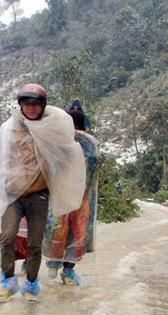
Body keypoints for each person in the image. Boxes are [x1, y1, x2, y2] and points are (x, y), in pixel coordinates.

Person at [0, 83, 86, 302]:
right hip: (13, 195)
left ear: (42, 106)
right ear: (21, 105)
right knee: (7, 239)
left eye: (35, 104)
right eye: (27, 103)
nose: (31, 107)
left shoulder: (50, 129)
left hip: (38, 195)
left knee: (35, 245)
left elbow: (65, 155)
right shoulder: (10, 128)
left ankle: (31, 285)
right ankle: (8, 282)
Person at [43, 105, 99, 285]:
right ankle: (68, 270)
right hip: (82, 197)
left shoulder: (60, 140)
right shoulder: (90, 144)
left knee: (57, 226)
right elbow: (93, 168)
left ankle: (53, 264)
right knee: (77, 232)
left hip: (60, 194)